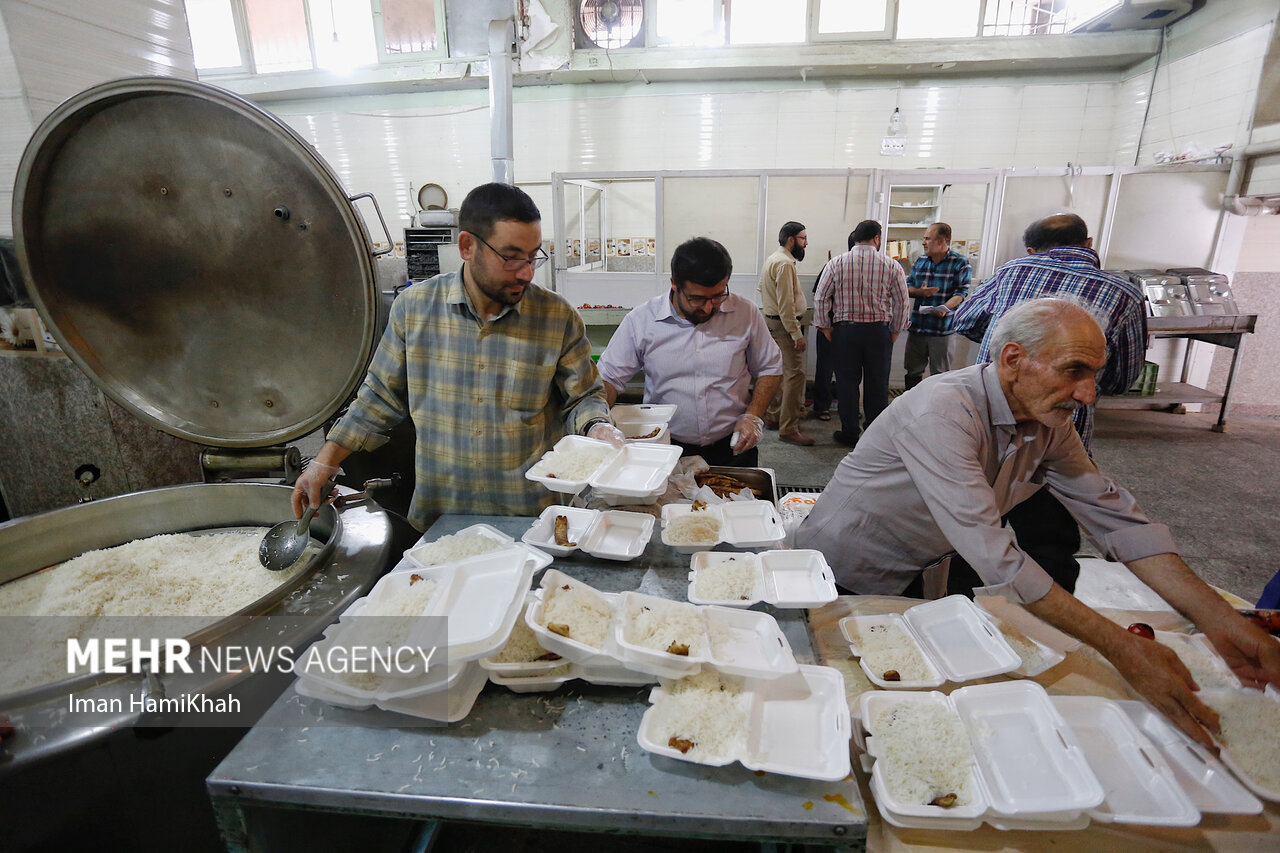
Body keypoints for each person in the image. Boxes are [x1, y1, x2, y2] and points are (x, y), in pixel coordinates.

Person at [796, 298, 1280, 748]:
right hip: (842, 569)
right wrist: (1122, 650)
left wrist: (1219, 620)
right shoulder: (943, 411)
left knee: (909, 688)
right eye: (1074, 371)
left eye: (1094, 374)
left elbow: (1117, 519)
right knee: (847, 706)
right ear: (1012, 359)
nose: (1088, 394)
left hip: (921, 569)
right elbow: (998, 559)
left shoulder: (1047, 422)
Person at [292, 182, 620, 530]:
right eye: (511, 257)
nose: (526, 272)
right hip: (441, 520)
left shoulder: (557, 317)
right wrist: (324, 462)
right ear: (467, 246)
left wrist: (597, 426)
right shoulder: (415, 310)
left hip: (528, 522)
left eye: (533, 256)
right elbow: (378, 398)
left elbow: (582, 397)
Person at [948, 212, 1147, 594]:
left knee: (967, 530)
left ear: (1031, 248)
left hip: (989, 429)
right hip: (1060, 433)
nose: (1084, 388)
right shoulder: (1125, 292)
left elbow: (965, 319)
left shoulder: (1012, 271)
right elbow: (1123, 378)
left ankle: (966, 610)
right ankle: (1046, 633)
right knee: (1049, 544)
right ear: (1089, 245)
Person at [596, 237, 782, 467]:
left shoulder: (745, 314)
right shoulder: (642, 320)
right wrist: (598, 422)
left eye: (717, 296)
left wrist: (753, 416)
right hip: (664, 448)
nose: (708, 307)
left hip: (732, 445)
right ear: (675, 284)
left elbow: (770, 367)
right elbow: (608, 378)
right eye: (697, 298)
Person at [812, 220, 909, 448]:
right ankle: (874, 436)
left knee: (847, 383)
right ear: (877, 238)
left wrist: (825, 326)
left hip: (846, 332)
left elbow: (821, 297)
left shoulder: (837, 263)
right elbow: (902, 302)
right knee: (877, 385)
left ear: (855, 237)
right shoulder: (892, 265)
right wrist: (895, 330)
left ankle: (849, 432)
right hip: (878, 333)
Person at [758, 221, 814, 446]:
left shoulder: (773, 259)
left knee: (780, 372)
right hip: (784, 326)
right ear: (791, 240)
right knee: (795, 375)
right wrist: (796, 334)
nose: (806, 243)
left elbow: (762, 289)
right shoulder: (784, 264)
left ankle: (773, 416)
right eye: (803, 238)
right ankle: (788, 428)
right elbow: (786, 304)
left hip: (773, 324)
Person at [902, 222, 971, 390]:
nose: (924, 242)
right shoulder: (921, 260)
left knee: (939, 374)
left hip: (942, 329)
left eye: (927, 238)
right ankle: (911, 406)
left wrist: (945, 308)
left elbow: (961, 293)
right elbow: (907, 288)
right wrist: (920, 292)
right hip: (918, 326)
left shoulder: (960, 263)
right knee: (913, 371)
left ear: (942, 241)